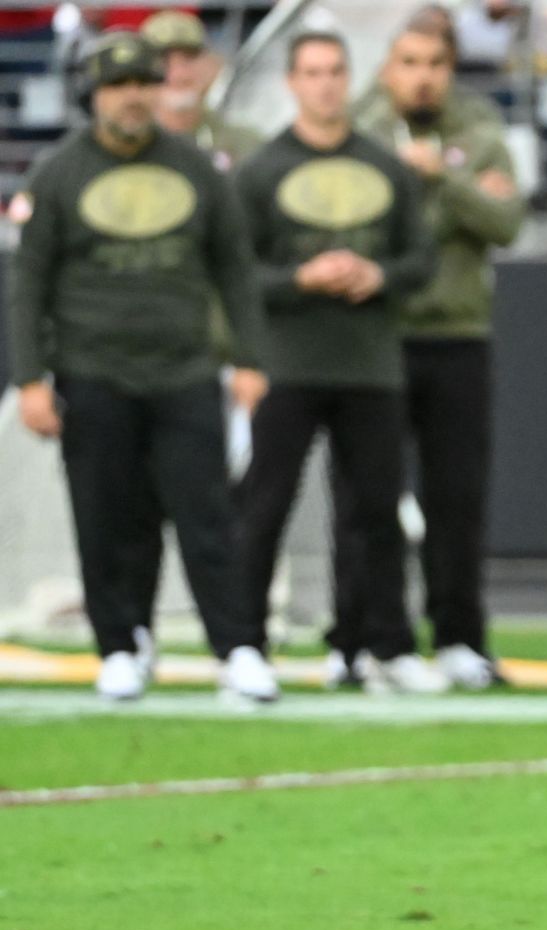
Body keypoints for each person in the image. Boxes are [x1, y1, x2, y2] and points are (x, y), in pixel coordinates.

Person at [6, 33, 274, 703]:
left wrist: (250, 355)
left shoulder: (196, 168)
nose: (133, 97)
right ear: (93, 94)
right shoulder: (59, 172)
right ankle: (120, 644)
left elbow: (235, 270)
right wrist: (30, 377)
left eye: (145, 84)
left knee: (207, 514)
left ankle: (237, 645)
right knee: (105, 519)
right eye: (119, 85)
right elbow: (28, 284)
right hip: (92, 369)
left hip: (183, 367)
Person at [232, 31, 442, 693]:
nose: (324, 84)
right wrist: (303, 277)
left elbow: (422, 261)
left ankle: (376, 645)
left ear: (350, 80)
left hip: (369, 365)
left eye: (334, 71)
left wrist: (375, 274)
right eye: (312, 72)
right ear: (292, 82)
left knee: (375, 513)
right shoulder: (261, 170)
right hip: (287, 363)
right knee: (264, 506)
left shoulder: (385, 165)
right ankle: (243, 645)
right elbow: (236, 273)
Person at [343, 9, 527, 691]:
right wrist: (452, 195)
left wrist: (438, 181)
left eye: (435, 64)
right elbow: (362, 229)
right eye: (410, 62)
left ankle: (459, 637)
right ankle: (356, 639)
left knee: (457, 499)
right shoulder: (360, 125)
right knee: (366, 499)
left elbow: (507, 220)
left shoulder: (478, 126)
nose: (422, 78)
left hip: (457, 332)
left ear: (451, 67)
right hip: (375, 337)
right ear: (388, 66)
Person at [139, 9, 261, 172]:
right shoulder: (125, 143)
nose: (178, 74)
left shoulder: (246, 145)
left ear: (213, 64)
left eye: (189, 59)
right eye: (164, 61)